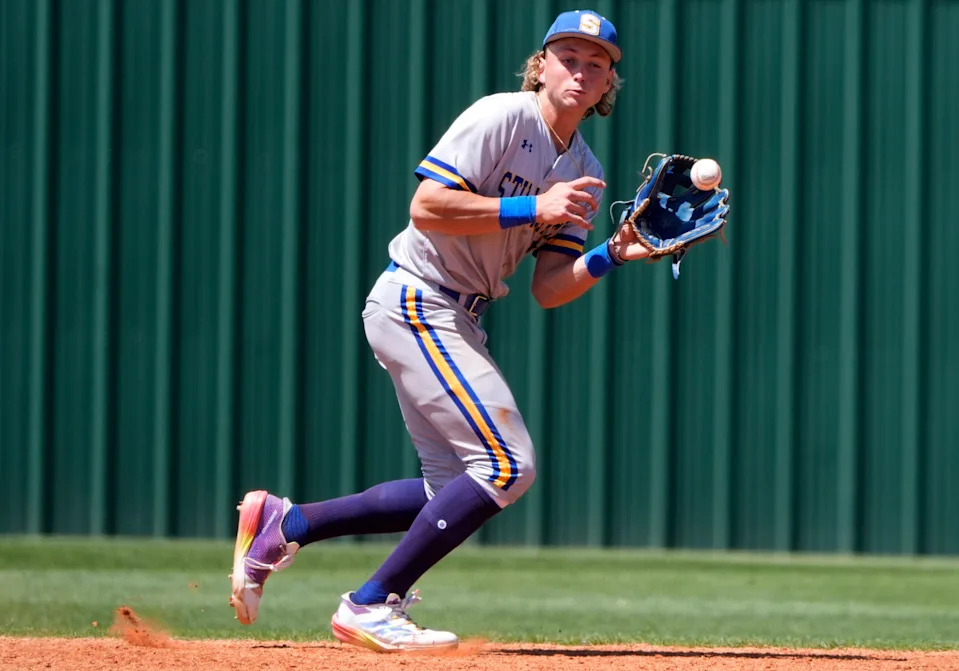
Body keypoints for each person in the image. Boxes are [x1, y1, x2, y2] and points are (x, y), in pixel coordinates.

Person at [230, 9, 651, 652]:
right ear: (541, 67)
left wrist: (612, 255)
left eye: (597, 64)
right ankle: (371, 603)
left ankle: (287, 523)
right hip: (418, 298)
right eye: (568, 55)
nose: (581, 69)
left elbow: (549, 288)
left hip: (458, 314)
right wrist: (533, 206)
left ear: (605, 88)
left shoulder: (580, 166)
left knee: (447, 489)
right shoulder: (502, 116)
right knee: (510, 465)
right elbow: (426, 207)